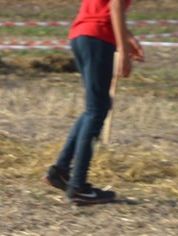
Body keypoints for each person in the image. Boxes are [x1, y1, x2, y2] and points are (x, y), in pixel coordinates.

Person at [43, 0, 145, 205]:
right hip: (98, 37)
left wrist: (128, 38)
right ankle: (78, 186)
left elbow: (104, 9)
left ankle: (61, 172)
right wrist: (123, 51)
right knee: (97, 109)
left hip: (81, 35)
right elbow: (115, 6)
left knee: (95, 107)